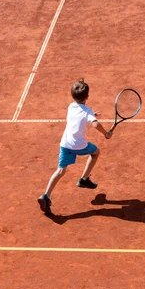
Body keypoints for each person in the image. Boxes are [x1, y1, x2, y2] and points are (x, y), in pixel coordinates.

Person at [38, 78, 112, 214]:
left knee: (60, 171)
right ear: (87, 97)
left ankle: (46, 195)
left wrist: (91, 115)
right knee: (95, 152)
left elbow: (80, 114)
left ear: (73, 96)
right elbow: (95, 124)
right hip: (79, 145)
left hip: (65, 144)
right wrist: (106, 133)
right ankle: (84, 179)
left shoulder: (71, 106)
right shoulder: (87, 111)